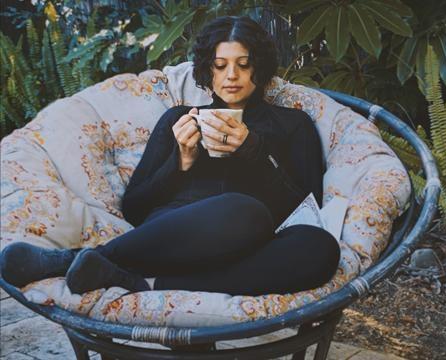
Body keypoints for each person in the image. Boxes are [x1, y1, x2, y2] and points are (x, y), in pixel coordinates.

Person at [0, 16, 340, 296]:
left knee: (320, 247)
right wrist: (180, 163)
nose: (232, 76)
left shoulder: (293, 125)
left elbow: (307, 210)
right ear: (208, 70)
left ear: (260, 68)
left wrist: (254, 152)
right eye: (220, 66)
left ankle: (137, 283)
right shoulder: (180, 118)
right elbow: (134, 208)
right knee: (242, 209)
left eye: (243, 64)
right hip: (171, 244)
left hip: (253, 251)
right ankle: (71, 259)